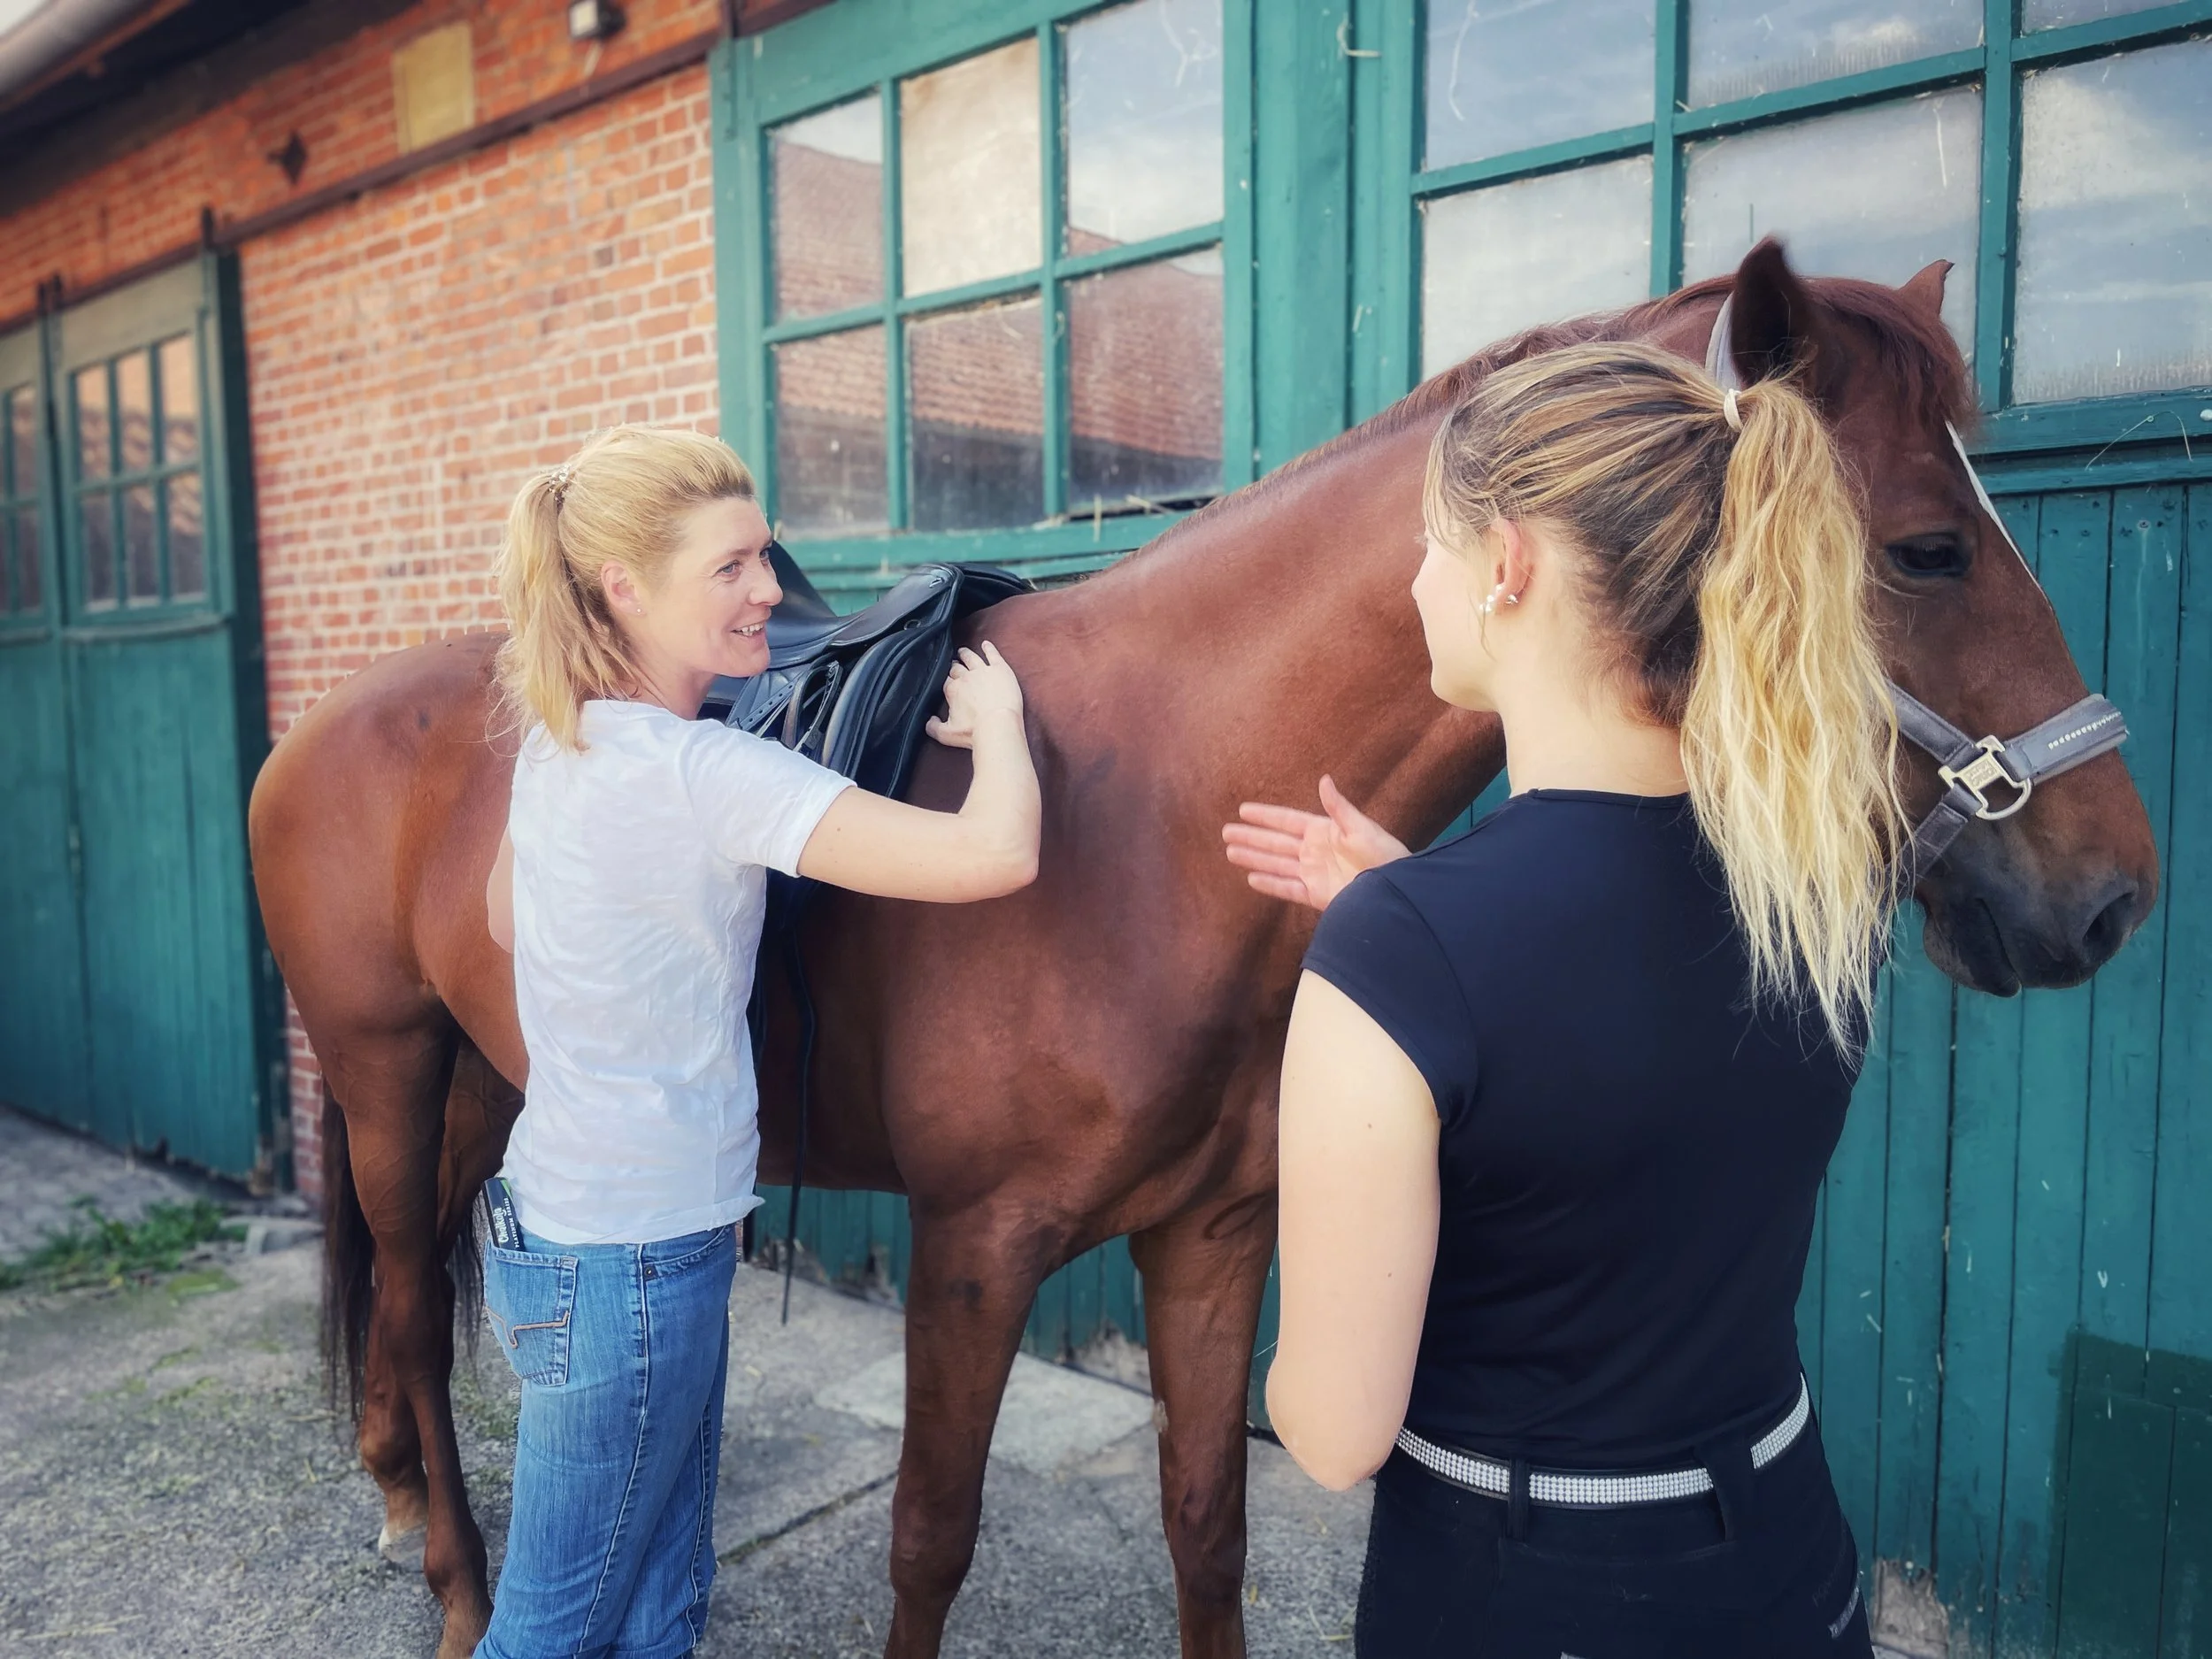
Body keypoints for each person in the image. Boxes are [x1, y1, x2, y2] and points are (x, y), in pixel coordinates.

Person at [1223, 342, 1898, 1655]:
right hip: (1793, 1573)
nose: (1415, 582)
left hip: (1518, 1595)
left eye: (1431, 541)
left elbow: (1334, 1433)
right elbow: (1628, 1009)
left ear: (1509, 563)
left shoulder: (1407, 956)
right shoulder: (1824, 883)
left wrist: (1397, 960)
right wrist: (1416, 925)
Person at [475, 424, 1039, 1659]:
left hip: (565, 1232)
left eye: (765, 557)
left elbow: (506, 919)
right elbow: (996, 854)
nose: (771, 590)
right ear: (625, 588)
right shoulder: (705, 771)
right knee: (546, 1634)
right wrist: (998, 722)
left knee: (659, 1608)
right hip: (631, 1258)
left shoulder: (558, 741)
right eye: (729, 566)